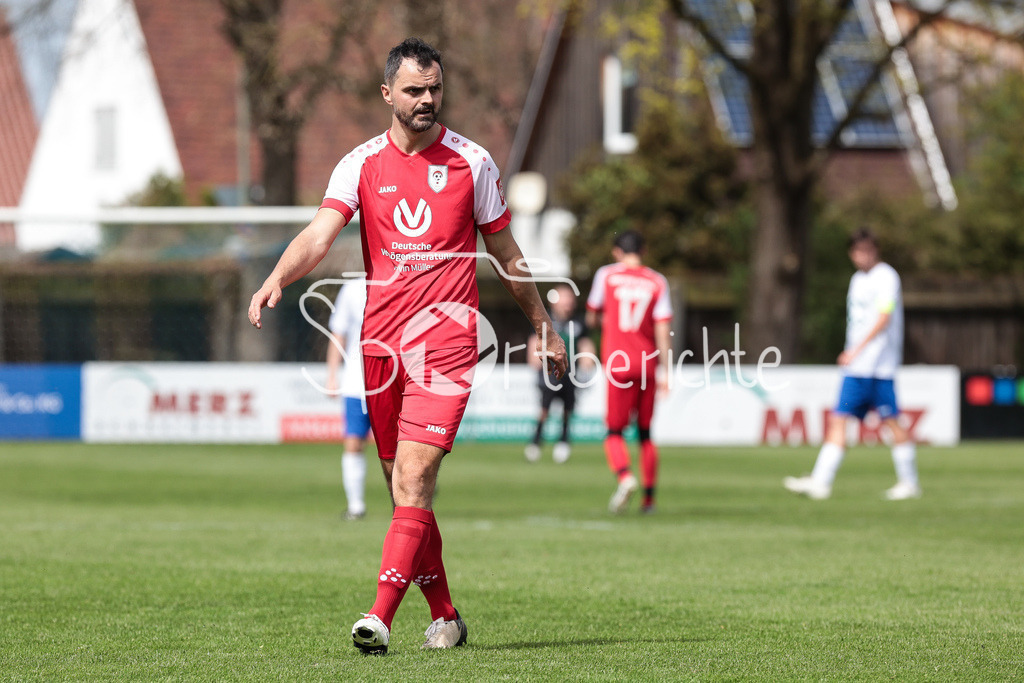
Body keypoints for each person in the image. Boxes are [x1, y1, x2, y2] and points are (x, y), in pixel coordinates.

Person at [248, 37, 567, 656]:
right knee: (401, 486)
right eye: (415, 90)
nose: (427, 100)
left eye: (435, 90)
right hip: (380, 349)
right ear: (387, 92)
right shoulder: (359, 164)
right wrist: (276, 278)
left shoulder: (473, 163)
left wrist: (543, 325)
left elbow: (506, 255)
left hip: (446, 345)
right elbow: (320, 235)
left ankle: (379, 617)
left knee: (417, 477)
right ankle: (445, 614)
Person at [784, 227, 921, 501]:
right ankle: (821, 482)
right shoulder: (858, 279)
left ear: (876, 251)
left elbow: (884, 317)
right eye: (858, 251)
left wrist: (855, 350)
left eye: (868, 250)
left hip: (878, 368)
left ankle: (909, 483)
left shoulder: (886, 277)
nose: (863, 256)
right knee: (838, 419)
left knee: (892, 422)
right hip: (856, 370)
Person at [585, 230, 673, 514]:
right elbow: (662, 329)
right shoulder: (657, 281)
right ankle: (649, 501)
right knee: (646, 433)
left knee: (613, 431)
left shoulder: (606, 276)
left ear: (616, 252)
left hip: (619, 363)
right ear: (643, 251)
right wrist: (667, 371)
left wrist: (604, 324)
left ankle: (625, 477)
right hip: (648, 364)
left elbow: (592, 315)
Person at [524, 283, 596, 464]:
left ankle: (563, 442)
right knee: (544, 409)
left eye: (570, 298)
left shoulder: (578, 322)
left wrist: (589, 359)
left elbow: (585, 344)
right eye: (565, 298)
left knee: (567, 410)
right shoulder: (544, 320)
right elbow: (534, 341)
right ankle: (536, 442)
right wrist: (534, 359)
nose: (568, 302)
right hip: (548, 373)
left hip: (570, 374)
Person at [326, 277, 370, 520]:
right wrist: (332, 375)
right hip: (356, 382)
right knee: (353, 443)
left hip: (395, 381)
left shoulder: (402, 281)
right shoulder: (352, 289)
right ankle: (356, 506)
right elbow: (338, 334)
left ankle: (410, 501)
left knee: (404, 448)